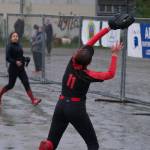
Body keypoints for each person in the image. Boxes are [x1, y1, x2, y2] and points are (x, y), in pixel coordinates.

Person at [38, 25, 123, 150]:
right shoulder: (87, 75)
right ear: (88, 63)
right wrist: (114, 54)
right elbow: (110, 74)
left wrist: (108, 28)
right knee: (93, 145)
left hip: (60, 105)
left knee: (51, 143)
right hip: (75, 109)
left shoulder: (71, 62)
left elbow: (90, 42)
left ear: (76, 55)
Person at [0, 32, 41, 106]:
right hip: (13, 69)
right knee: (10, 85)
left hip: (21, 69)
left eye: (16, 36)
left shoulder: (20, 45)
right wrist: (15, 62)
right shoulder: (9, 46)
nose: (15, 37)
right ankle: (0, 94)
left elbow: (20, 57)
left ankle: (33, 100)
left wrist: (25, 59)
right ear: (11, 38)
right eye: (13, 36)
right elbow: (8, 58)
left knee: (26, 82)